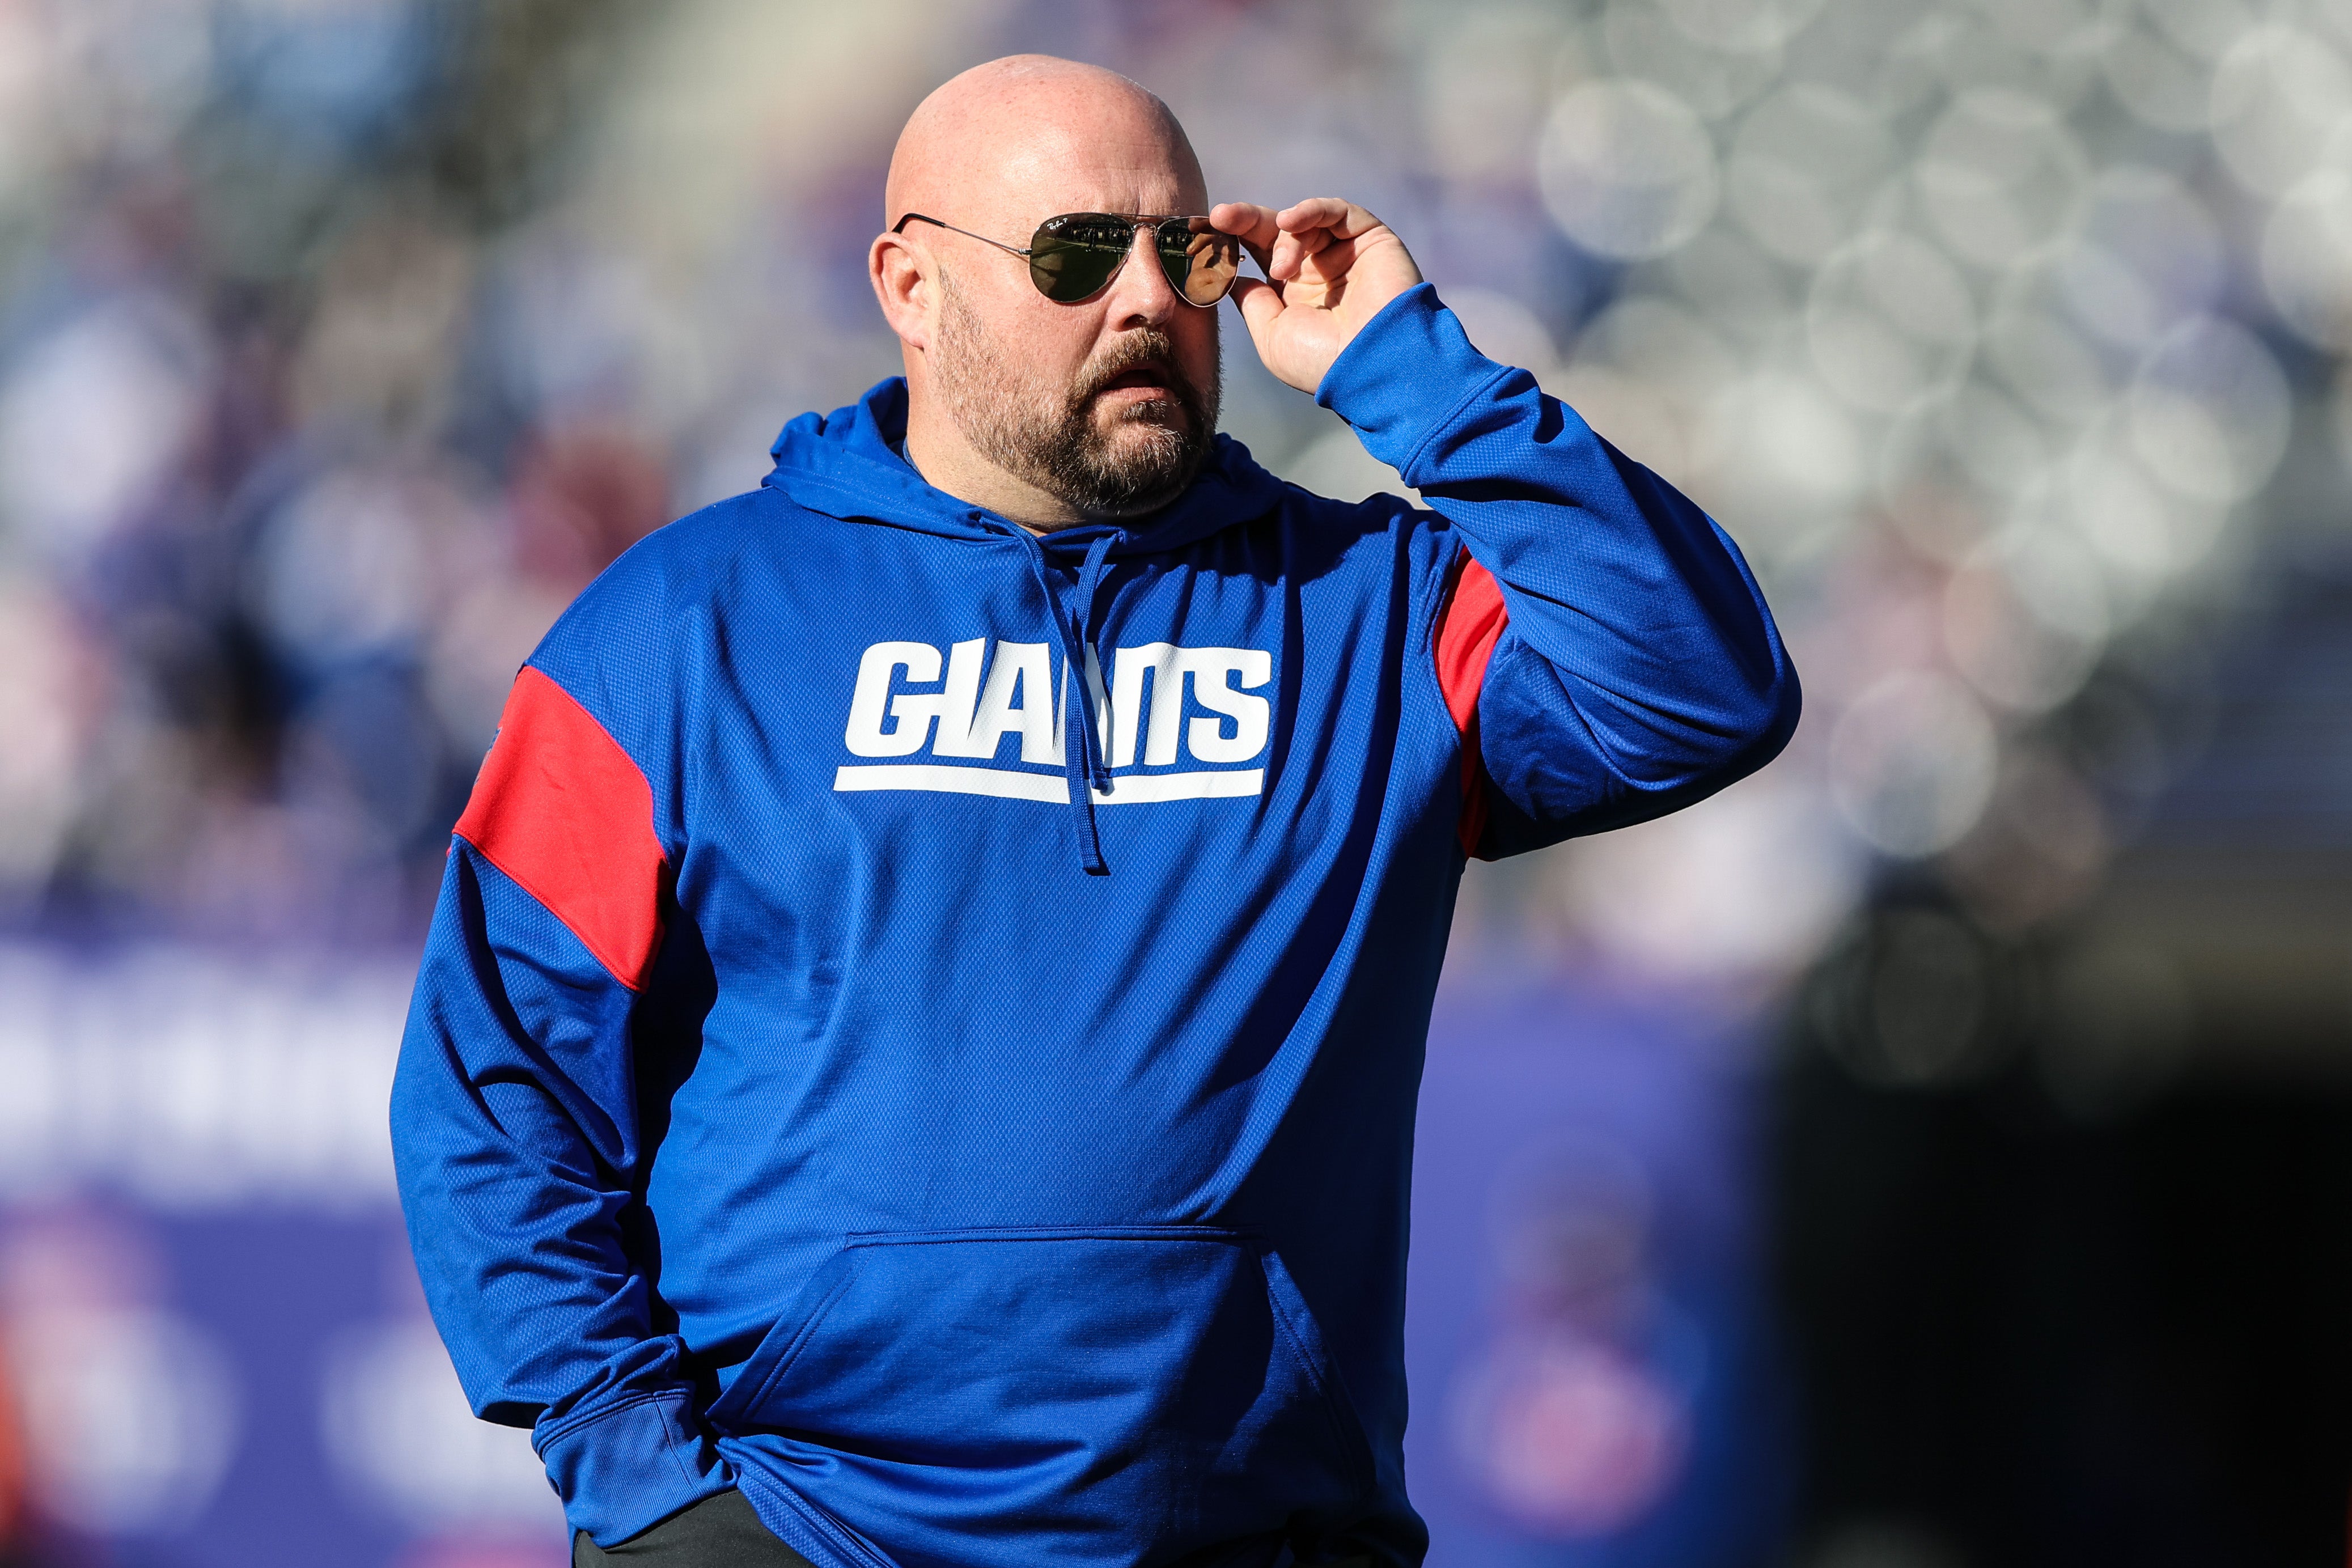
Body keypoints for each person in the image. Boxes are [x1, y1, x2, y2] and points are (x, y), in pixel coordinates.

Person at [391, 53, 1799, 1568]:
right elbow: (496, 1084)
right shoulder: (683, 626)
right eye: (1076, 254)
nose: (1147, 302)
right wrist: (645, 1485)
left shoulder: (1367, 610)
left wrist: (1413, 373)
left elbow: (1700, 691)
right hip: (804, 1528)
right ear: (911, 285)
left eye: (1184, 252)